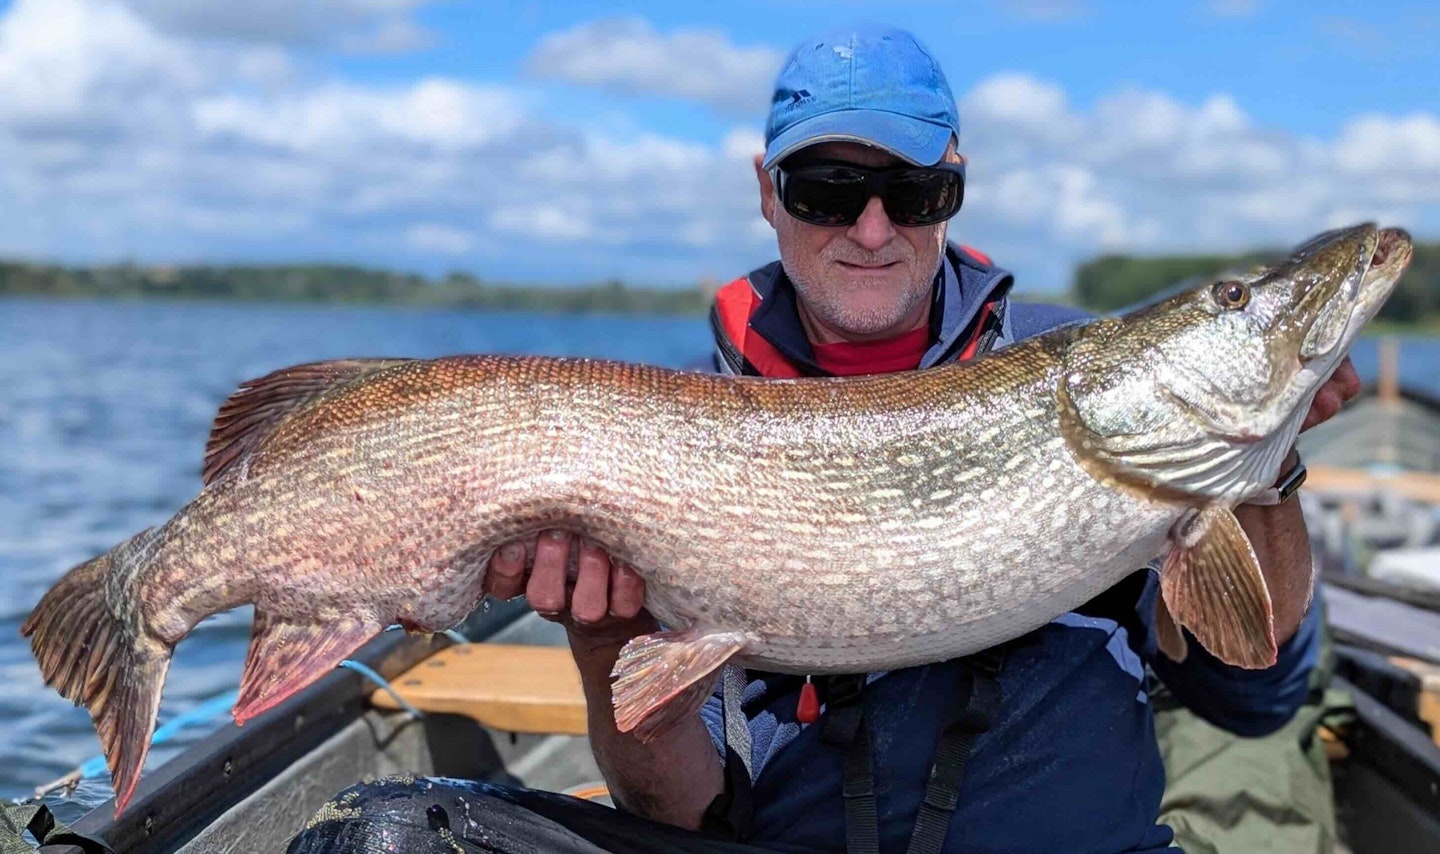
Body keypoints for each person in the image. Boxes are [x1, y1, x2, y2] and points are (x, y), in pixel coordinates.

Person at [288, 24, 1360, 854]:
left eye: (912, 189)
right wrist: (605, 636)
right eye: (829, 188)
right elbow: (682, 807)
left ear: (957, 188)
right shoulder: (687, 413)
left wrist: (1267, 469)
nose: (874, 227)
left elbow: (1255, 694)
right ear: (767, 193)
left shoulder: (1072, 375)